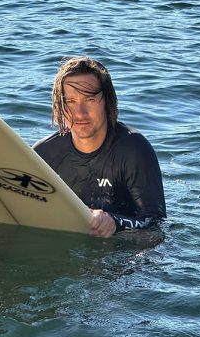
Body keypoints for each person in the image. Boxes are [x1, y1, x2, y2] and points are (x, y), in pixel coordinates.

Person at [33, 56, 166, 238]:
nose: (79, 113)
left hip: (123, 253)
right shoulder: (44, 154)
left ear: (107, 102)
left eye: (89, 99)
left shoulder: (134, 150)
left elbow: (155, 224)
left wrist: (115, 223)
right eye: (70, 102)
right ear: (59, 106)